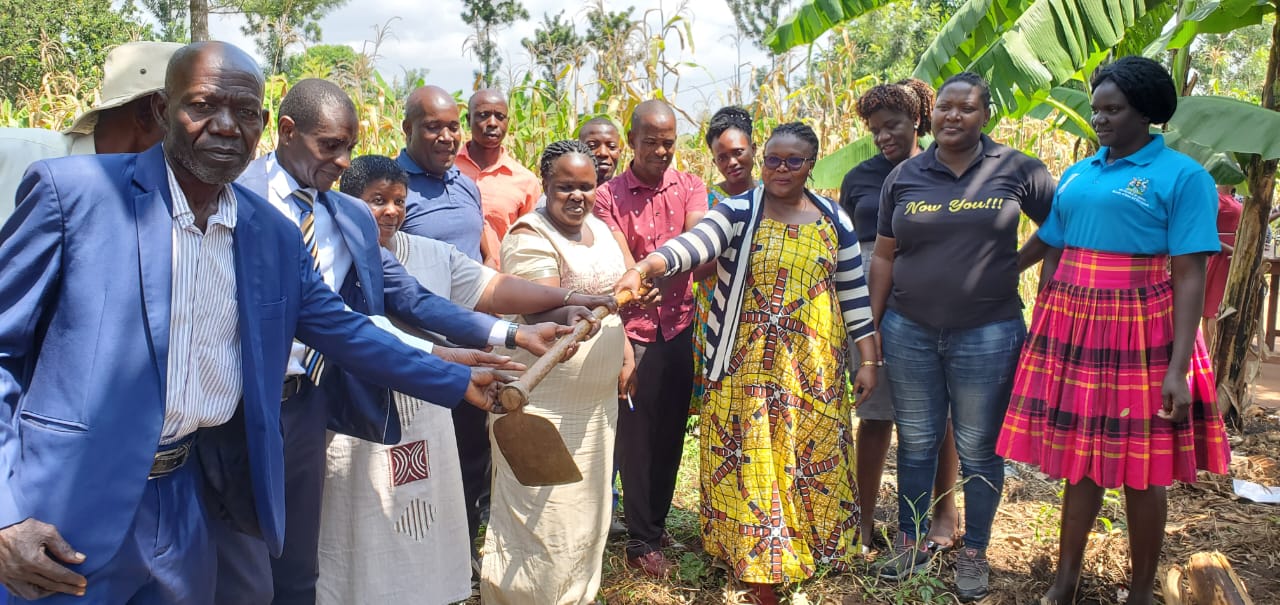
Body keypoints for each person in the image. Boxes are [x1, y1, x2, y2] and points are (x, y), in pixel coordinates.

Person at [0, 40, 516, 605]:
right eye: (202, 105)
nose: (225, 126)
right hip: (64, 506)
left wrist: (458, 381)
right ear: (160, 110)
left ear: (264, 125)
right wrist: (6, 512)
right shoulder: (73, 194)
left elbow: (344, 329)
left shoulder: (269, 232)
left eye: (244, 112)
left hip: (188, 497)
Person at [222, 80, 584, 605]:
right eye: (330, 147)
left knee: (296, 566)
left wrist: (513, 333)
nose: (344, 161)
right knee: (237, 561)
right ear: (286, 131)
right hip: (233, 409)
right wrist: (448, 368)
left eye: (350, 146)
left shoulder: (344, 215)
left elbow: (406, 301)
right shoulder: (235, 194)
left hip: (306, 407)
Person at [317, 154, 613, 605]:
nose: (390, 211)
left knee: (425, 524)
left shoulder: (424, 254)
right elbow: (365, 331)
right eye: (377, 200)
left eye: (398, 200)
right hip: (360, 424)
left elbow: (474, 292)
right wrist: (447, 355)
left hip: (427, 416)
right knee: (362, 527)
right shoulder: (329, 255)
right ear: (348, 202)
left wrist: (559, 304)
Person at [997, 56, 1232, 605]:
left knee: (1142, 467)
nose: (1099, 119)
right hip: (1074, 324)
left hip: (1141, 326)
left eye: (1113, 109)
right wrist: (997, 273)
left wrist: (1178, 368)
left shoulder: (1183, 176)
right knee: (1082, 462)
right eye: (1097, 109)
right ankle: (1064, 583)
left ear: (1145, 113)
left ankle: (1143, 592)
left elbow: (1190, 272)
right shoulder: (1080, 172)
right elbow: (1052, 239)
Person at [615, 122, 878, 605]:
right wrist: (646, 266)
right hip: (745, 366)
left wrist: (868, 357)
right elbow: (695, 245)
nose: (780, 169)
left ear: (810, 164)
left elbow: (853, 291)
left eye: (792, 161)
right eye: (773, 160)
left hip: (812, 368)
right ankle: (762, 563)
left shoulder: (832, 218)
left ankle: (815, 543)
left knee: (806, 454)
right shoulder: (738, 211)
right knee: (756, 459)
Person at [869, 72, 1056, 601]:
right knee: (918, 442)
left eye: (966, 108)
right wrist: (873, 331)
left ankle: (974, 549)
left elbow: (1059, 228)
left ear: (986, 114)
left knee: (978, 447)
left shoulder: (1019, 170)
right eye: (945, 107)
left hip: (989, 331)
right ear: (933, 114)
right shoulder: (906, 175)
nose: (953, 116)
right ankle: (910, 541)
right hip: (909, 330)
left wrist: (1017, 264)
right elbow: (884, 256)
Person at [481, 140, 632, 605]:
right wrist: (576, 321)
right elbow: (541, 308)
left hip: (595, 406)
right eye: (565, 186)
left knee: (586, 513)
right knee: (542, 520)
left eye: (586, 187)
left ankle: (576, 596)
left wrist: (624, 352)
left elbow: (619, 295)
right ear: (545, 185)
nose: (577, 196)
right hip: (542, 405)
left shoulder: (602, 230)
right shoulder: (530, 235)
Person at [839, 80, 961, 552]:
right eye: (874, 130)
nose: (883, 136)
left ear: (917, 121)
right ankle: (865, 519)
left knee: (940, 414)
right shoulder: (860, 178)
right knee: (874, 414)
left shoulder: (945, 166)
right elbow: (847, 246)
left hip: (928, 294)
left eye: (892, 126)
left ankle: (944, 513)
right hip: (868, 295)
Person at [593, 99, 708, 577]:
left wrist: (663, 265)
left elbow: (697, 240)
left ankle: (656, 521)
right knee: (637, 437)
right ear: (632, 141)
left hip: (679, 325)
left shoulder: (691, 187)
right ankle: (640, 538)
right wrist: (639, 277)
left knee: (671, 431)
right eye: (650, 142)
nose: (661, 151)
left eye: (668, 142)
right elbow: (621, 260)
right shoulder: (609, 197)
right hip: (633, 330)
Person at [395, 84, 494, 566]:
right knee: (418, 460)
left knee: (471, 455)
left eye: (453, 126)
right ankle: (418, 556)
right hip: (416, 350)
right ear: (407, 128)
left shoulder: (465, 183)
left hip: (471, 346)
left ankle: (462, 552)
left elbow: (475, 260)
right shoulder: (393, 187)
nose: (446, 136)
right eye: (433, 126)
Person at [0, 41, 182, 222]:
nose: (209, 128)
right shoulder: (13, 153)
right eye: (200, 107)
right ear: (150, 113)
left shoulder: (164, 202)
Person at [692, 106, 756, 407]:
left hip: (759, 312)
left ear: (754, 149)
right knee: (721, 401)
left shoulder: (777, 195)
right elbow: (697, 269)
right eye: (721, 157)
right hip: (716, 311)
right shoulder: (705, 201)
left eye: (738, 152)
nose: (731, 162)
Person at [456, 88, 541, 268]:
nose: (492, 123)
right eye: (483, 115)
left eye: (500, 117)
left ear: (507, 123)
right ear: (468, 120)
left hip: (502, 283)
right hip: (452, 279)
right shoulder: (447, 169)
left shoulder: (525, 181)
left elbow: (530, 240)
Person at [1203, 184, 1242, 346]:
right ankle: (1215, 353)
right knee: (1214, 308)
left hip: (1231, 255)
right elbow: (1206, 232)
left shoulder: (1233, 198)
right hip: (1221, 256)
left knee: (1212, 307)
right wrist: (1232, 250)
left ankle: (1212, 360)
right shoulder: (1214, 197)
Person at [579, 117, 623, 185]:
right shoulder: (563, 193)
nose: (603, 153)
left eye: (612, 146)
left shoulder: (630, 194)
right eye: (592, 146)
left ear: (619, 152)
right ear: (578, 151)